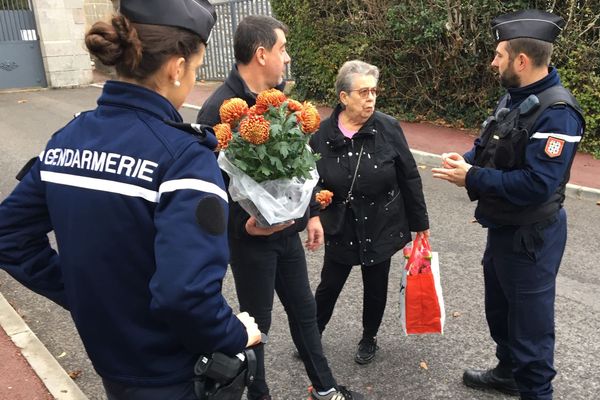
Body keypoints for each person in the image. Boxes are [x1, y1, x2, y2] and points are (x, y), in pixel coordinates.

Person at [0, 1, 263, 399]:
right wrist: (233, 333)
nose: (192, 79)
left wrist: (82, 293)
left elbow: (9, 236)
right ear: (176, 67)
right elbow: (185, 294)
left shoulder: (66, 140)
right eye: (195, 69)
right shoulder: (183, 158)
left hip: (111, 363)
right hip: (175, 375)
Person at [197, 15, 363, 400]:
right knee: (258, 325)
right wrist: (243, 227)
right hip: (251, 241)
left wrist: (311, 215)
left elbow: (301, 165)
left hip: (286, 233)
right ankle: (259, 395)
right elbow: (209, 192)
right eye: (282, 49)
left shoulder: (282, 104)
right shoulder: (219, 111)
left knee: (305, 316)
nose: (286, 58)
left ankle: (324, 389)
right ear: (260, 54)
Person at [432, 9, 585, 400]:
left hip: (531, 236)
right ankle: (508, 373)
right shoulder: (518, 96)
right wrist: (466, 160)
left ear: (521, 60)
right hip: (503, 227)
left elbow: (537, 183)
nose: (493, 62)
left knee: (530, 329)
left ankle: (534, 388)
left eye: (499, 55)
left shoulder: (558, 113)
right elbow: (495, 147)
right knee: (500, 311)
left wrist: (472, 177)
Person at [310, 60, 430, 365]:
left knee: (375, 287)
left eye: (374, 91)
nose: (371, 98)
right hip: (341, 224)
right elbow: (308, 179)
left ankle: (369, 337)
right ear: (343, 97)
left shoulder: (388, 127)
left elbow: (409, 175)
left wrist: (420, 224)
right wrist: (314, 209)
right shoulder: (321, 134)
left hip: (381, 222)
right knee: (329, 285)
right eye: (363, 92)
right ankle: (312, 334)